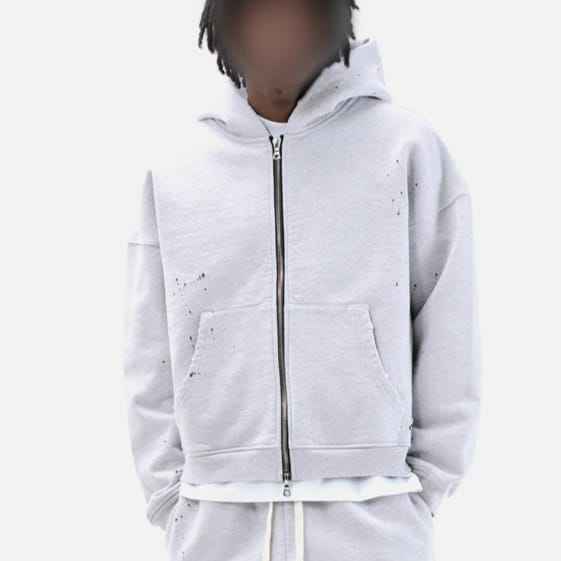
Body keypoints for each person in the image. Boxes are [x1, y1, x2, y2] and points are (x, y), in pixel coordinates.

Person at [123, 1, 481, 559]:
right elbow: (149, 352)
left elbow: (449, 326)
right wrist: (172, 498)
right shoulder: (178, 169)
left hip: (375, 520)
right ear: (224, 23)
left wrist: (422, 488)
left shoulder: (405, 148)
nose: (279, 29)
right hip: (215, 523)